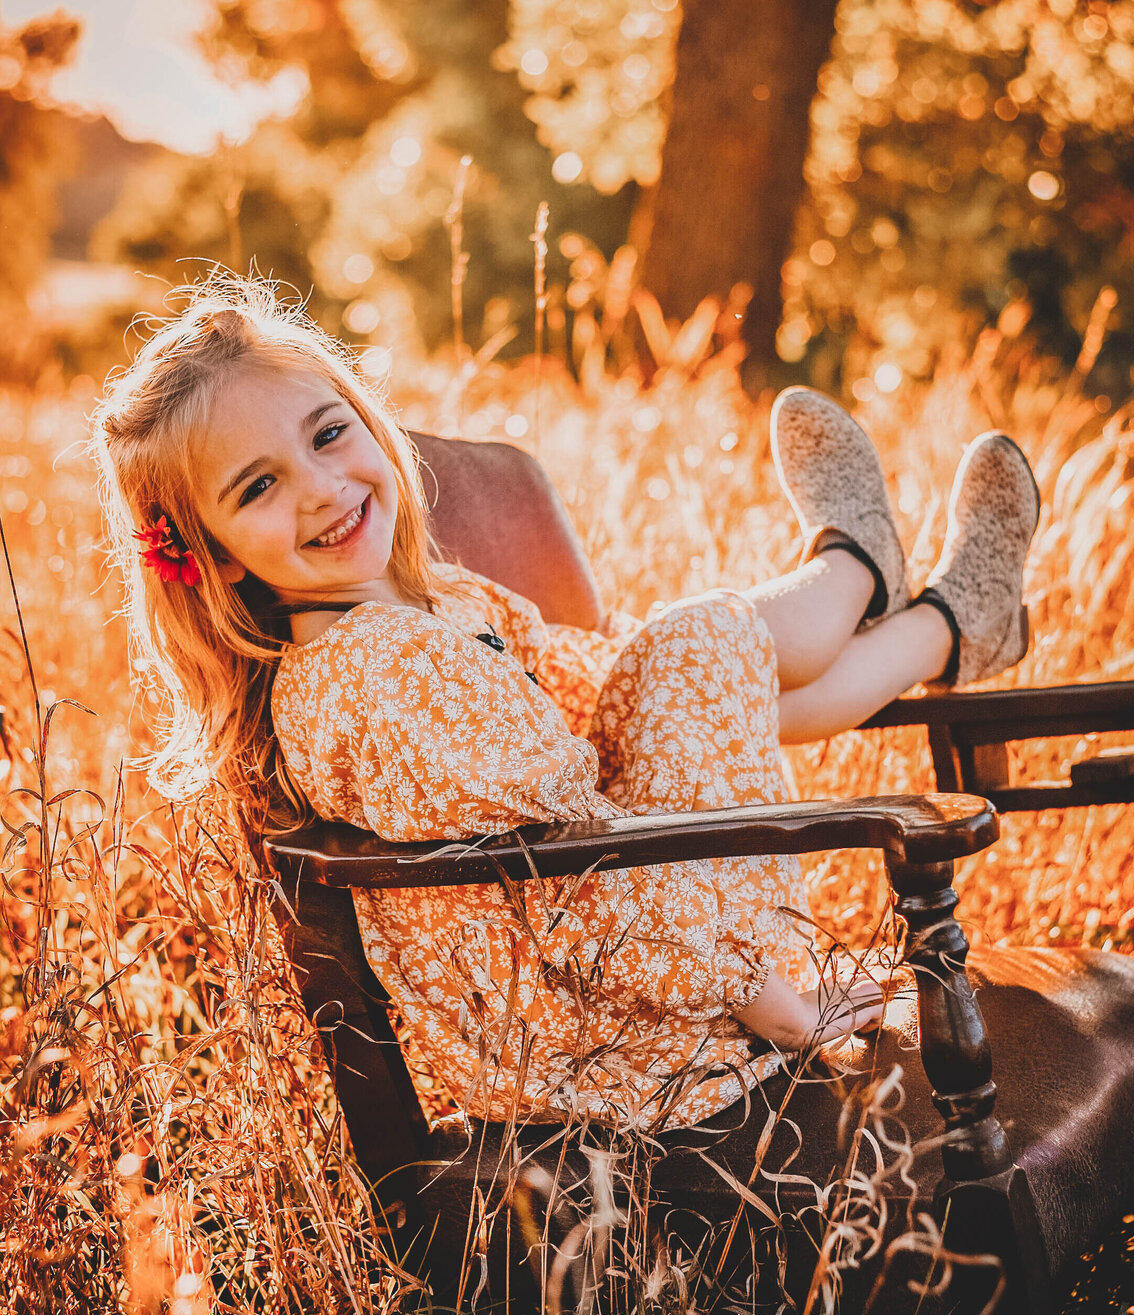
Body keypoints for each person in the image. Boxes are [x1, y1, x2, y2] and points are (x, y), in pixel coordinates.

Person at [92, 277, 1040, 1136]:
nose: (323, 489)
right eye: (258, 487)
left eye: (329, 433)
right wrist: (791, 1008)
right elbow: (589, 891)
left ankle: (935, 609)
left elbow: (601, 683)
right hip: (631, 1042)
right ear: (209, 552)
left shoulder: (427, 608)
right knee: (699, 643)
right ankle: (875, 576)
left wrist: (688, 665)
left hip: (642, 975)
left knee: (691, 654)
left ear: (369, 422)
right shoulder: (383, 679)